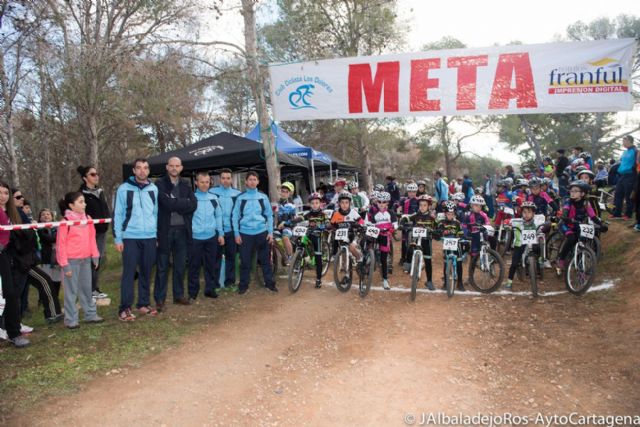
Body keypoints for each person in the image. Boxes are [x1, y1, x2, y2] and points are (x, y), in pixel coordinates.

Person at [113, 158, 159, 321]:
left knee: (146, 272)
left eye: (145, 168)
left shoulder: (153, 188)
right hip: (130, 237)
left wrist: (156, 235)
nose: (142, 171)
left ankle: (143, 304)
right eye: (138, 168)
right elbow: (118, 214)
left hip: (149, 237)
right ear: (133, 170)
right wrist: (118, 238)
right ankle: (124, 308)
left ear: (148, 170)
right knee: (129, 273)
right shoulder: (123, 189)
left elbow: (155, 213)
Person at [56, 192, 104, 329]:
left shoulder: (88, 218)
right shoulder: (65, 222)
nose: (85, 204)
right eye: (81, 202)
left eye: (84, 201)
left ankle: (90, 314)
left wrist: (95, 256)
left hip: (86, 260)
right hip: (71, 262)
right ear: (71, 205)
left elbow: (92, 238)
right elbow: (61, 245)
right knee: (70, 292)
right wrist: (65, 265)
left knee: (87, 289)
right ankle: (71, 320)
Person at [155, 157, 197, 308]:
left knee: (180, 266)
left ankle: (178, 296)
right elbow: (164, 203)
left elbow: (193, 204)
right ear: (167, 167)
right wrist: (182, 203)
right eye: (171, 165)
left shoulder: (186, 184)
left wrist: (175, 203)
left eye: (177, 166)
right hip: (165, 230)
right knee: (162, 267)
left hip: (182, 231)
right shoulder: (159, 184)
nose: (174, 168)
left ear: (181, 167)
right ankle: (160, 299)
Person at [232, 171, 277, 295]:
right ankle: (243, 286)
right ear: (246, 182)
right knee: (245, 262)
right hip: (245, 234)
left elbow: (269, 215)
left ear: (258, 182)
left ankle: (270, 284)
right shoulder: (240, 198)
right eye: (250, 179)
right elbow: (235, 217)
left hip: (262, 233)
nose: (252, 181)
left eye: (254, 179)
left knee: (265, 261)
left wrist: (270, 233)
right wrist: (236, 234)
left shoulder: (263, 197)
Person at [0, 181, 30, 347]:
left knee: (10, 293)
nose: (3, 196)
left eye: (6, 193)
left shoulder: (13, 212)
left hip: (5, 256)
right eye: (0, 192)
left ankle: (14, 333)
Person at [188, 172, 224, 302]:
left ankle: (210, 289)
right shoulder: (191, 198)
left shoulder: (214, 198)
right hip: (195, 238)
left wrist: (220, 233)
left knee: (211, 265)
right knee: (194, 266)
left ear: (210, 183)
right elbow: (187, 218)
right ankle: (192, 292)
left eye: (207, 182)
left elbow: (218, 216)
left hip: (211, 237)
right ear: (196, 183)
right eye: (201, 182)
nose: (204, 184)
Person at [557, 181, 606, 271]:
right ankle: (561, 259)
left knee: (582, 239)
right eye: (571, 191)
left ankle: (579, 260)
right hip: (566, 224)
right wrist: (566, 217)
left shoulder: (586, 204)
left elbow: (593, 216)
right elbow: (564, 213)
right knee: (571, 238)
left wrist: (601, 224)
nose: (573, 193)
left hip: (578, 225)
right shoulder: (568, 202)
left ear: (582, 193)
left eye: (576, 191)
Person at [78, 165, 111, 299]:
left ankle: (94, 289)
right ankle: (89, 290)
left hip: (102, 232)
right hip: (89, 233)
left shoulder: (100, 191)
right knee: (90, 261)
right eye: (92, 174)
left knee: (98, 259)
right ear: (85, 178)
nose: (96, 176)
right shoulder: (80, 195)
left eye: (97, 174)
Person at [25, 208, 63, 323]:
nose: (46, 216)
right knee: (46, 281)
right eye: (43, 215)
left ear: (52, 216)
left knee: (55, 282)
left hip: (56, 259)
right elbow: (49, 239)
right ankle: (47, 306)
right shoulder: (40, 229)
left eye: (48, 214)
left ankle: (54, 304)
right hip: (44, 259)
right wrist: (60, 235)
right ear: (39, 218)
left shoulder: (56, 227)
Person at [210, 168, 241, 292]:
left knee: (231, 258)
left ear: (231, 179)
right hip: (217, 231)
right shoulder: (213, 192)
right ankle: (216, 283)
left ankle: (230, 282)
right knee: (216, 258)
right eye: (223, 178)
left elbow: (238, 214)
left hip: (232, 231)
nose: (225, 180)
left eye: (228, 178)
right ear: (220, 178)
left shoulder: (237, 194)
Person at [400, 194, 436, 290]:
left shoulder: (432, 217)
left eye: (424, 205)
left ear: (429, 206)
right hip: (416, 238)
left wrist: (435, 231)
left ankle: (429, 281)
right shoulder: (416, 215)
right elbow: (407, 218)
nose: (422, 207)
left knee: (428, 260)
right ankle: (407, 263)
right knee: (410, 247)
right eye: (420, 205)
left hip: (426, 240)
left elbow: (437, 226)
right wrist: (402, 221)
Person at [366, 191, 397, 290]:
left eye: (384, 202)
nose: (381, 204)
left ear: (387, 203)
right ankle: (367, 258)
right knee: (367, 241)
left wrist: (392, 229)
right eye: (379, 202)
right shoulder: (374, 214)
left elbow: (395, 224)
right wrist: (368, 225)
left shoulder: (391, 213)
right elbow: (370, 223)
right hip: (376, 233)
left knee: (383, 258)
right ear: (377, 202)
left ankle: (385, 279)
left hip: (385, 234)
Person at [503, 201, 538, 291]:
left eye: (529, 212)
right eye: (524, 212)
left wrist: (549, 224)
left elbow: (547, 223)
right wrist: (507, 224)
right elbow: (507, 222)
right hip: (519, 244)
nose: (526, 214)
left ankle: (539, 263)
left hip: (533, 243)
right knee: (514, 263)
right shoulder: (517, 221)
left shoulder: (538, 220)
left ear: (533, 213)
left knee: (538, 249)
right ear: (521, 213)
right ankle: (509, 281)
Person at [436, 201, 464, 292]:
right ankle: (446, 282)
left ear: (454, 213)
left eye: (452, 214)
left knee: (459, 263)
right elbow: (439, 230)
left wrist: (460, 236)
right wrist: (439, 233)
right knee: (446, 263)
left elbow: (461, 233)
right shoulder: (441, 222)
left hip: (456, 245)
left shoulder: (457, 223)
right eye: (448, 213)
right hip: (447, 245)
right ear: (445, 213)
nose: (450, 215)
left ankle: (460, 282)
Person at [302, 193, 329, 288]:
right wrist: (292, 221)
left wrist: (325, 225)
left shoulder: (323, 214)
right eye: (312, 203)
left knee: (318, 257)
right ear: (309, 204)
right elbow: (300, 218)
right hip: (308, 234)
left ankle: (318, 279)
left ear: (320, 204)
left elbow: (327, 223)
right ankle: (304, 258)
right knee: (300, 242)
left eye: (317, 202)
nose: (314, 205)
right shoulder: (308, 214)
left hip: (318, 235)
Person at [611, 135, 637, 220]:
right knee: (618, 194)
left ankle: (628, 214)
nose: (623, 143)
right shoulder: (624, 152)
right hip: (622, 176)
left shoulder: (635, 151)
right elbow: (621, 162)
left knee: (628, 195)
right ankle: (617, 213)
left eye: (624, 141)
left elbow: (637, 164)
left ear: (629, 141)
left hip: (630, 176)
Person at [276, 182, 297, 262]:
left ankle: (290, 257)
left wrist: (285, 223)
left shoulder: (291, 205)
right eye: (282, 191)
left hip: (288, 227)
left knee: (285, 237)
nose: (284, 193)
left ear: (290, 193)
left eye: (286, 192)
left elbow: (294, 219)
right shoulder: (277, 203)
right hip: (277, 227)